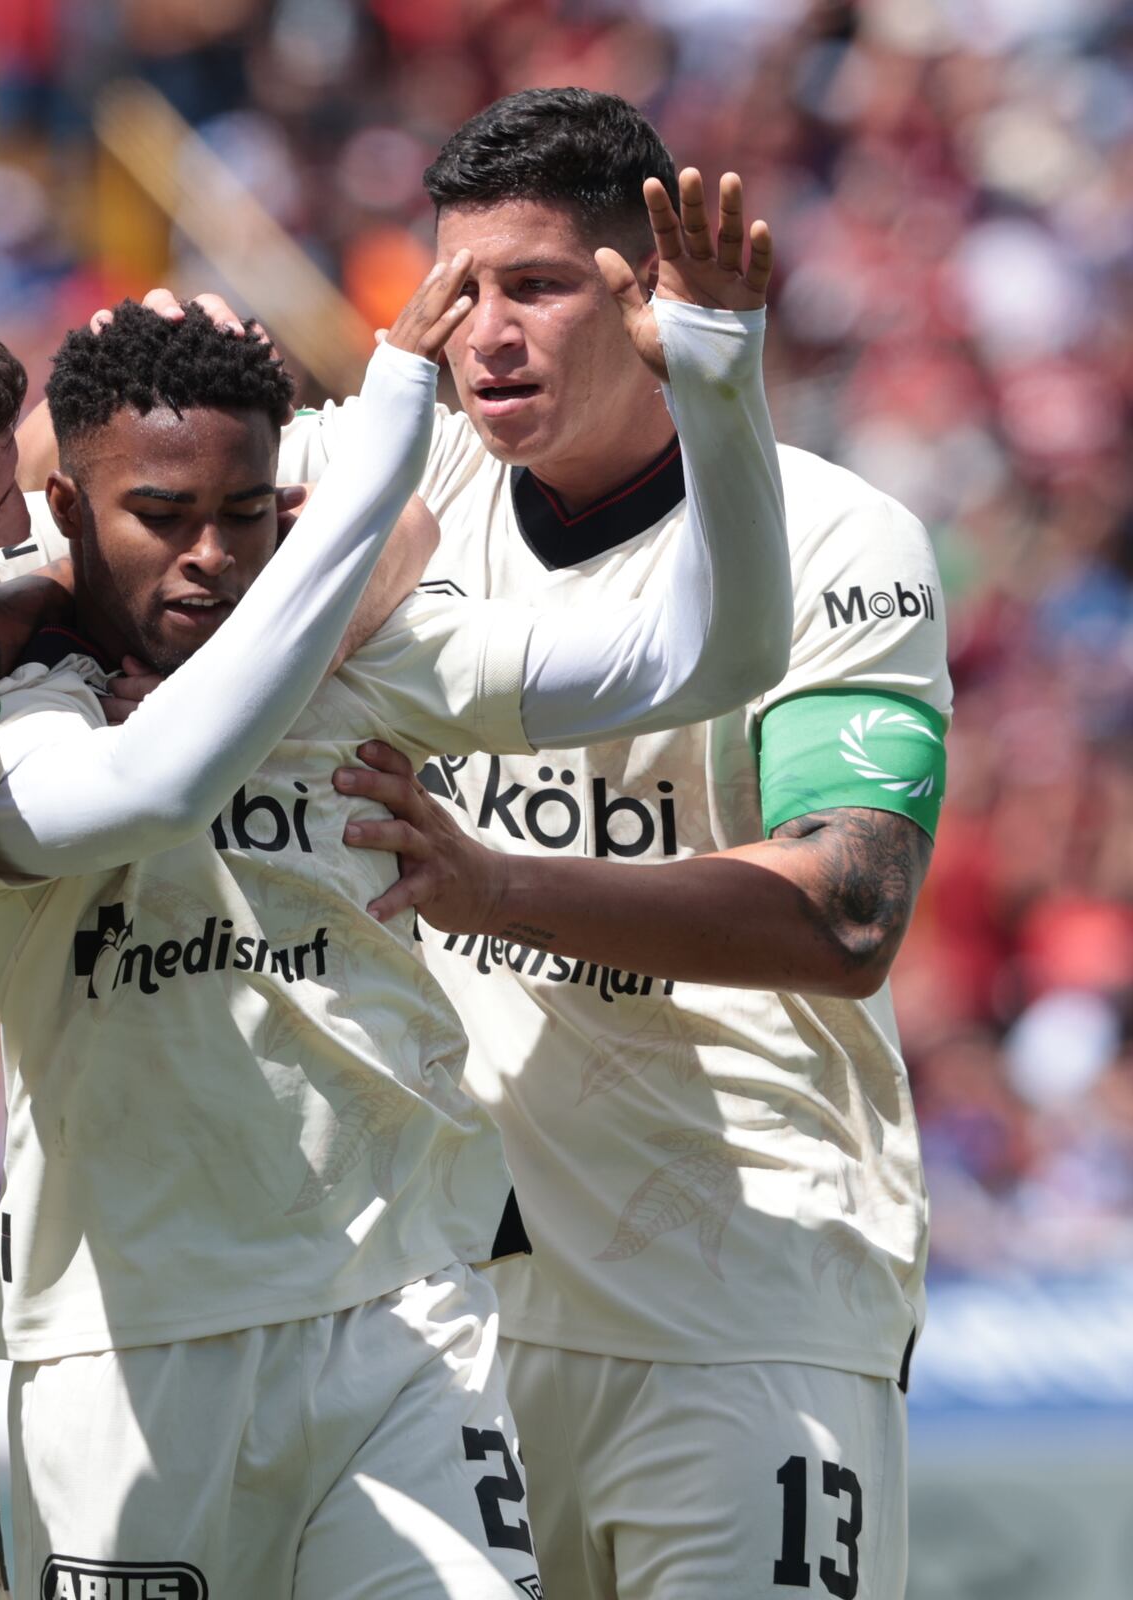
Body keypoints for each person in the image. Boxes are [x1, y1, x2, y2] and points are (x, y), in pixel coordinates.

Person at [0, 174, 783, 1600]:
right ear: (65, 509)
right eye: (158, 516)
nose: (210, 556)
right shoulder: (6, 727)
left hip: (401, 1320)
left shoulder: (369, 655)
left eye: (245, 514)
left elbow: (708, 656)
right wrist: (390, 406)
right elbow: (159, 790)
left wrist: (719, 384)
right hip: (125, 1352)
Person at [321, 89, 947, 1600]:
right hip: (458, 1321)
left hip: (747, 1293)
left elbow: (845, 914)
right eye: (460, 289)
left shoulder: (841, 541)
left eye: (535, 286)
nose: (487, 333)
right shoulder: (405, 486)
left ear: (648, 294)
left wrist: (492, 888)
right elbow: (93, 489)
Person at [0, 281, 445, 1598]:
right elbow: (159, 762)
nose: (14, 531)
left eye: (30, 498)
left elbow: (400, 532)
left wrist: (161, 640)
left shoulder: (4, 637)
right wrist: (202, 669)